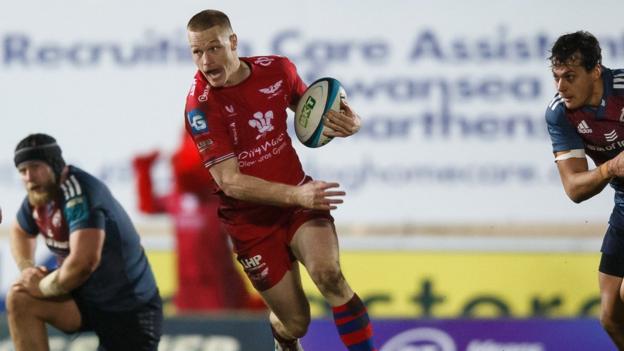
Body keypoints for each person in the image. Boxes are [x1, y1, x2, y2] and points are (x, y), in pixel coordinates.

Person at [184, 9, 376, 351]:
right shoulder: (200, 108)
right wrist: (297, 196)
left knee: (328, 274)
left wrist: (351, 121)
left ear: (233, 43)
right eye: (196, 52)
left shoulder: (278, 69)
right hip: (250, 222)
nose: (204, 61)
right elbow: (230, 182)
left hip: (298, 204)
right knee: (295, 322)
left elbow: (315, 112)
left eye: (213, 48)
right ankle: (283, 338)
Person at [7, 133, 162, 351]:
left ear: (56, 165)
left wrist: (41, 287)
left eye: (35, 167)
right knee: (20, 297)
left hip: (129, 309)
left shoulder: (79, 193)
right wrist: (27, 270)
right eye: (23, 171)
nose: (29, 177)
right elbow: (19, 230)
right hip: (85, 301)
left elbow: (83, 264)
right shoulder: (39, 195)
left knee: (31, 291)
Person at [546, 31, 624, 349]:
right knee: (610, 316)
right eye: (556, 77)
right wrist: (610, 168)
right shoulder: (560, 114)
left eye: (570, 77)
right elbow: (574, 189)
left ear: (596, 71)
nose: (561, 87)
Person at [133, 131, 260, 312]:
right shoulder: (176, 197)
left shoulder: (219, 196)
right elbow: (147, 206)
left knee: (223, 326)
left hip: (218, 282)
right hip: (187, 285)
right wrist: (143, 170)